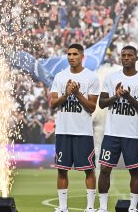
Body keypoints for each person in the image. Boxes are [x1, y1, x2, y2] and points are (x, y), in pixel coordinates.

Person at [97, 45, 138, 212]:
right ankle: (103, 207)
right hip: (111, 133)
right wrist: (116, 96)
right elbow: (102, 103)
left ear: (136, 58)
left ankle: (133, 207)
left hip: (132, 134)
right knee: (105, 170)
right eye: (123, 55)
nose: (126, 58)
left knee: (134, 171)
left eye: (130, 55)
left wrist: (127, 96)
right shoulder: (111, 77)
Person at [50, 44, 100, 212]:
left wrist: (77, 93)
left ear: (82, 56)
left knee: (88, 170)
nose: (71, 57)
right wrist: (66, 94)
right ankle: (62, 207)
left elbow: (92, 107)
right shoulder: (59, 77)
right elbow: (53, 104)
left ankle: (90, 207)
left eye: (75, 54)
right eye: (69, 54)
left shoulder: (91, 77)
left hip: (83, 132)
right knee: (62, 171)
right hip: (63, 131)